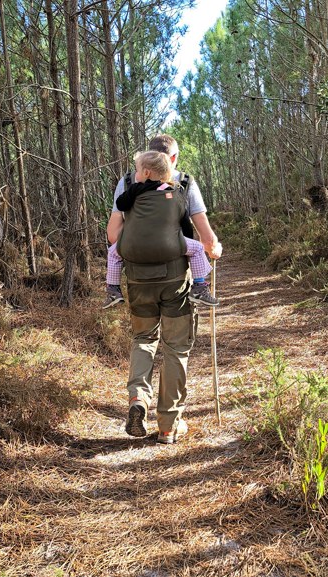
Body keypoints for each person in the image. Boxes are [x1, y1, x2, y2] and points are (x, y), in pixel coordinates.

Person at [107, 134, 223, 444]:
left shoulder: (127, 182)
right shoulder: (184, 183)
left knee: (143, 338)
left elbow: (112, 234)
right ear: (172, 159)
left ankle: (137, 401)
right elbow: (206, 239)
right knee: (175, 347)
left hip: (137, 278)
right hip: (175, 279)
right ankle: (169, 425)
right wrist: (214, 249)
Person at [102, 150, 218, 309]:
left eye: (137, 169)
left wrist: (131, 194)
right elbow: (185, 224)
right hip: (169, 247)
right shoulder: (176, 192)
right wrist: (182, 243)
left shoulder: (135, 189)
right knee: (197, 248)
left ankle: (113, 289)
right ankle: (199, 286)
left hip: (134, 247)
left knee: (113, 253)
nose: (135, 173)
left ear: (146, 172)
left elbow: (121, 205)